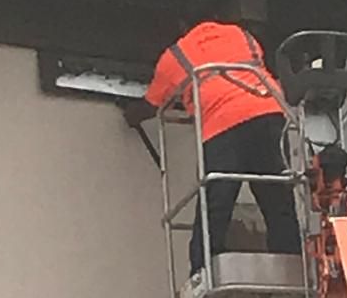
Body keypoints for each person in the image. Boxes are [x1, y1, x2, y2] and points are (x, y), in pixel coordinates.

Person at [124, 18, 301, 274]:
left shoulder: (173, 57)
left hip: (222, 123)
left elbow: (149, 106)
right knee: (276, 196)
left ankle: (202, 269)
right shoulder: (240, 35)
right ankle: (292, 262)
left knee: (217, 199)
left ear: (181, 29)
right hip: (269, 111)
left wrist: (129, 116)